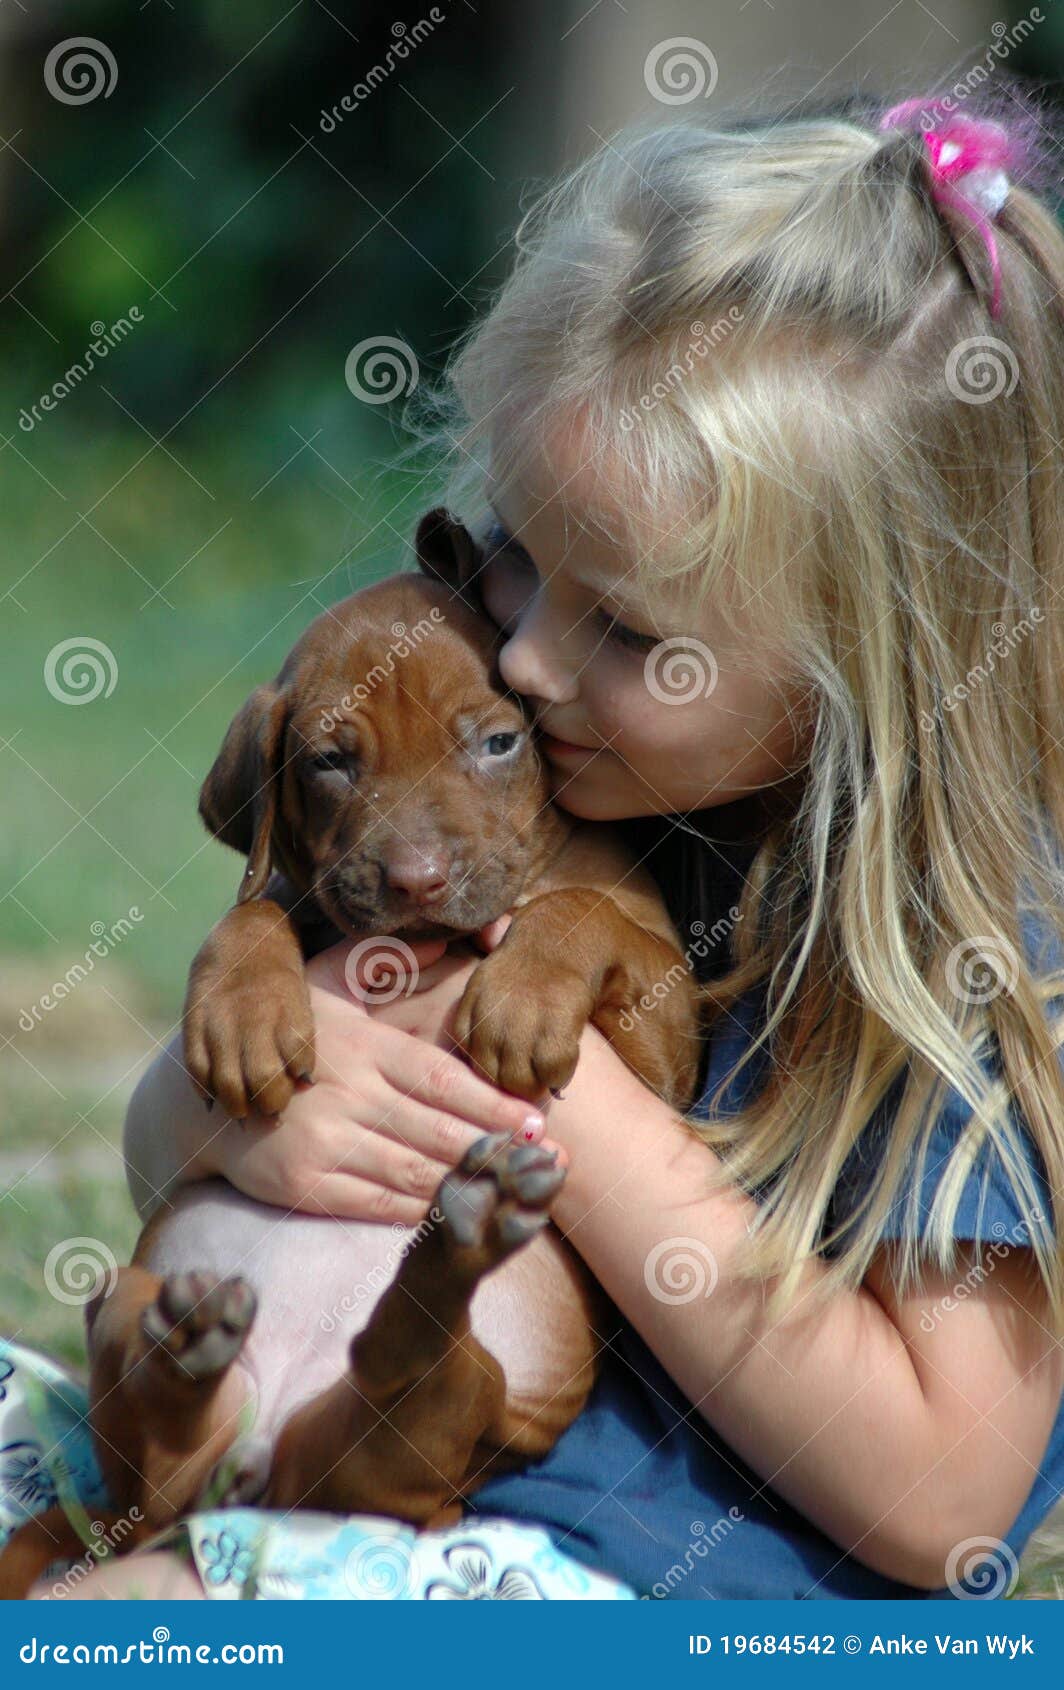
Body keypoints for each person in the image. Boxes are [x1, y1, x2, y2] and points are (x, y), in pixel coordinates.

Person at [14, 83, 1064, 1600]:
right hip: (334, 1455)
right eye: (519, 557)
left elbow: (949, 1501)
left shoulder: (957, 938)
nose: (529, 665)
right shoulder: (570, 773)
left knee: (122, 1626)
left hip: (613, 1579)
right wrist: (232, 1112)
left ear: (875, 663)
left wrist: (571, 1119)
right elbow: (163, 1145)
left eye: (628, 628)